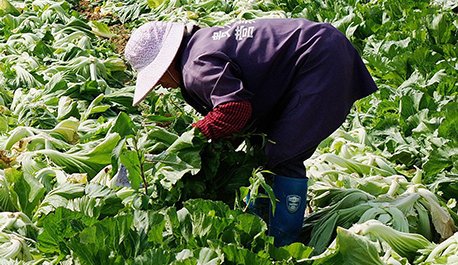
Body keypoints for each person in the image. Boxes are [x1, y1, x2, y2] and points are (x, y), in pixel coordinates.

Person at [124, 18, 376, 247]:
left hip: (320, 61)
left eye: (158, 77)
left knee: (282, 152)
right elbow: (242, 112)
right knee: (263, 148)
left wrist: (194, 138)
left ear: (168, 63)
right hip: (322, 48)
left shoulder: (195, 68)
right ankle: (261, 221)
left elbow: (234, 110)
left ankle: (282, 242)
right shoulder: (200, 46)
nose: (161, 85)